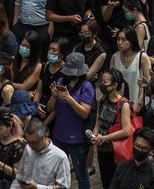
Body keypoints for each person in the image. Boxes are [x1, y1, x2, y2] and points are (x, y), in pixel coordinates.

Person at [48, 53, 95, 189]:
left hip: (77, 141)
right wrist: (54, 96)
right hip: (59, 136)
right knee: (57, 173)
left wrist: (69, 98)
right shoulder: (62, 81)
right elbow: (51, 108)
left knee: (81, 175)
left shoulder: (86, 86)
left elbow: (84, 113)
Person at [91, 69, 132, 189]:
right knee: (105, 180)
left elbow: (126, 131)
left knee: (115, 183)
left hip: (116, 152)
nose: (102, 84)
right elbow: (98, 123)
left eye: (105, 82)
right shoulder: (102, 99)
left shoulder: (123, 104)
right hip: (102, 149)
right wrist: (95, 136)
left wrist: (104, 138)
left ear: (114, 85)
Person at [11, 118, 71, 189]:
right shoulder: (28, 148)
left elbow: (63, 187)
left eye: (35, 142)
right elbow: (19, 177)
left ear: (45, 136)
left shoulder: (60, 157)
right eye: (29, 142)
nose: (32, 146)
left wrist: (37, 187)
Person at [110, 26, 152, 110]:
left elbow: (148, 84)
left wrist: (139, 103)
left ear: (132, 41)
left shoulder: (142, 57)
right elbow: (111, 81)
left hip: (137, 105)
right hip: (118, 105)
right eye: (118, 39)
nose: (120, 42)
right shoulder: (115, 57)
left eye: (123, 39)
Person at [34, 38, 67, 126]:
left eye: (54, 50)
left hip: (54, 112)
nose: (50, 52)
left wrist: (44, 125)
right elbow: (39, 91)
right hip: (40, 107)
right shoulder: (45, 66)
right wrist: (36, 105)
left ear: (61, 54)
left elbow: (60, 103)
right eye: (49, 49)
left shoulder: (66, 72)